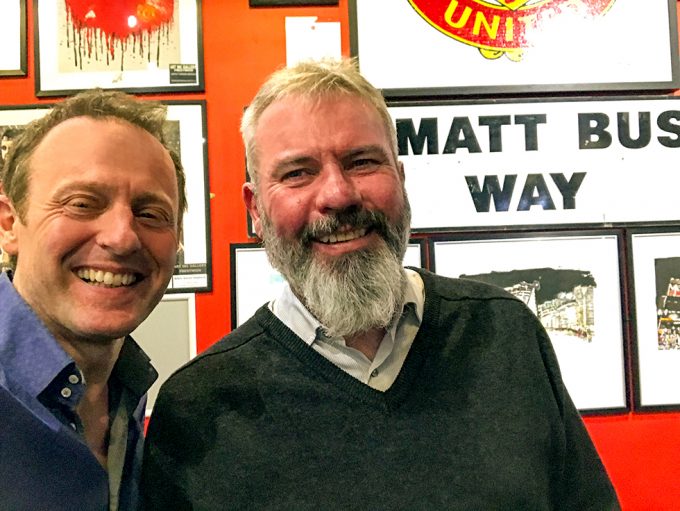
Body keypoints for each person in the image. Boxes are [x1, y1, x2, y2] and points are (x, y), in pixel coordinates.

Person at [140, 58, 620, 510]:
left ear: (401, 178)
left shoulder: (504, 333)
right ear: (255, 210)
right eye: (298, 173)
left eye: (363, 162)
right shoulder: (199, 407)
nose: (338, 194)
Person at [0, 89, 186, 511]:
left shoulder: (133, 393)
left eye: (151, 212)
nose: (122, 237)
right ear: (11, 224)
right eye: (82, 204)